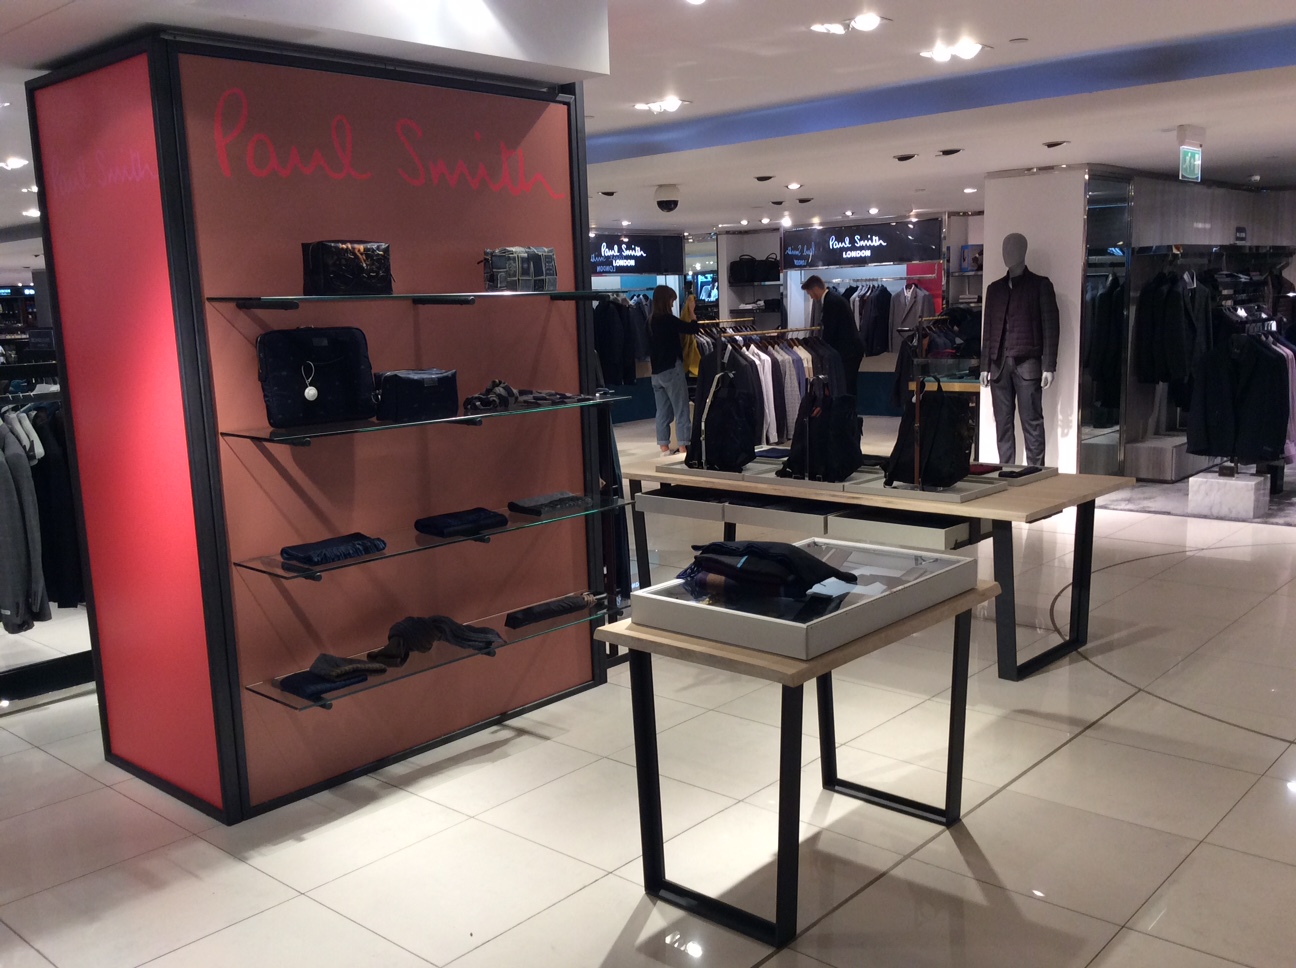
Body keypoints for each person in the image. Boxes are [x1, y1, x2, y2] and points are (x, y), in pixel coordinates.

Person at [979, 232, 1059, 466]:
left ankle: (1036, 474)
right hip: (998, 365)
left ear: (1023, 251)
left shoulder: (1040, 286)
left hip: (1028, 364)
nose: (1007, 253)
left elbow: (1051, 327)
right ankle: (1006, 470)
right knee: (1002, 425)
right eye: (1004, 248)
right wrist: (984, 366)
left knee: (1032, 423)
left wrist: (1049, 366)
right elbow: (988, 329)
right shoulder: (994, 289)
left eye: (1012, 248)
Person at [648, 284, 700, 455]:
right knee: (681, 408)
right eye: (671, 300)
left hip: (656, 373)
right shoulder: (668, 320)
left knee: (662, 412)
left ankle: (664, 447)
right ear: (666, 300)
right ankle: (684, 446)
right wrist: (691, 311)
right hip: (672, 369)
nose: (672, 304)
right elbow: (692, 329)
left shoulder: (650, 321)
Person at [801, 274, 863, 394]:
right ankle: (848, 405)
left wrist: (820, 350)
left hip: (849, 352)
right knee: (848, 385)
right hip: (851, 349)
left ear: (815, 289)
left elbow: (830, 330)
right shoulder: (833, 298)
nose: (811, 297)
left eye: (809, 293)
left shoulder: (831, 302)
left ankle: (847, 406)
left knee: (846, 386)